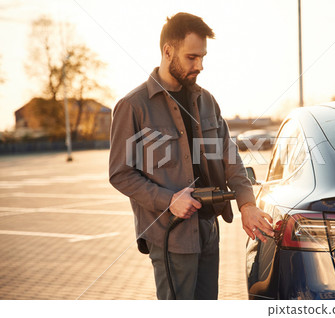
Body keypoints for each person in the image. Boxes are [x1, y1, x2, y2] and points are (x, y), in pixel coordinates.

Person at [109, 12, 274, 300]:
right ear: (168, 50)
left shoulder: (206, 101)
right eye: (192, 57)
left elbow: (229, 157)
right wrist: (169, 201)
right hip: (171, 236)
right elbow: (120, 174)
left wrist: (247, 204)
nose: (199, 65)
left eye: (202, 57)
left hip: (208, 231)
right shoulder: (133, 106)